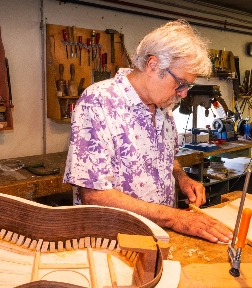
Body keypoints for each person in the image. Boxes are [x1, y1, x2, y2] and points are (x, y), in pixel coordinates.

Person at [64, 20, 232, 243]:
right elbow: (95, 195)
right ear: (153, 66)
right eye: (181, 83)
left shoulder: (163, 106)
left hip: (160, 236)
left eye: (187, 86)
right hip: (116, 241)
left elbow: (165, 158)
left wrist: (181, 177)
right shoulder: (99, 103)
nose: (183, 94)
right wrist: (174, 218)